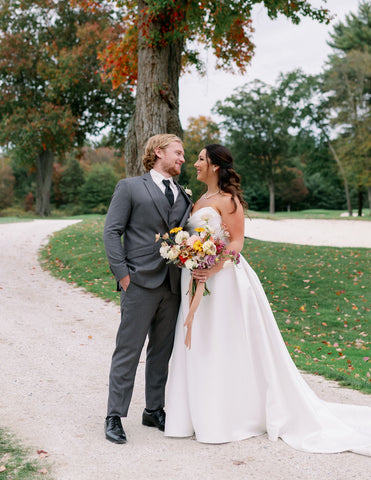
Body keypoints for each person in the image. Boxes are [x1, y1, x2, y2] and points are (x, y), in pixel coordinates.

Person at [164, 144, 371, 456]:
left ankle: (230, 415)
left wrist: (214, 265)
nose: (195, 163)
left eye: (201, 159)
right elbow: (194, 237)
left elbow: (236, 241)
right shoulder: (199, 200)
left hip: (224, 281)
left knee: (224, 341)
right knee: (200, 342)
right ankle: (197, 412)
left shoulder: (228, 200)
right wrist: (191, 260)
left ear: (216, 166)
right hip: (195, 277)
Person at [103, 134, 192, 444]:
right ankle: (114, 414)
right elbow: (112, 231)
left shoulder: (183, 194)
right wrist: (123, 275)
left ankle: (154, 409)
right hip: (138, 282)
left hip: (172, 284)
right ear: (158, 152)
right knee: (128, 349)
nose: (182, 158)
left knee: (161, 351)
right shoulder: (129, 187)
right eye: (178, 153)